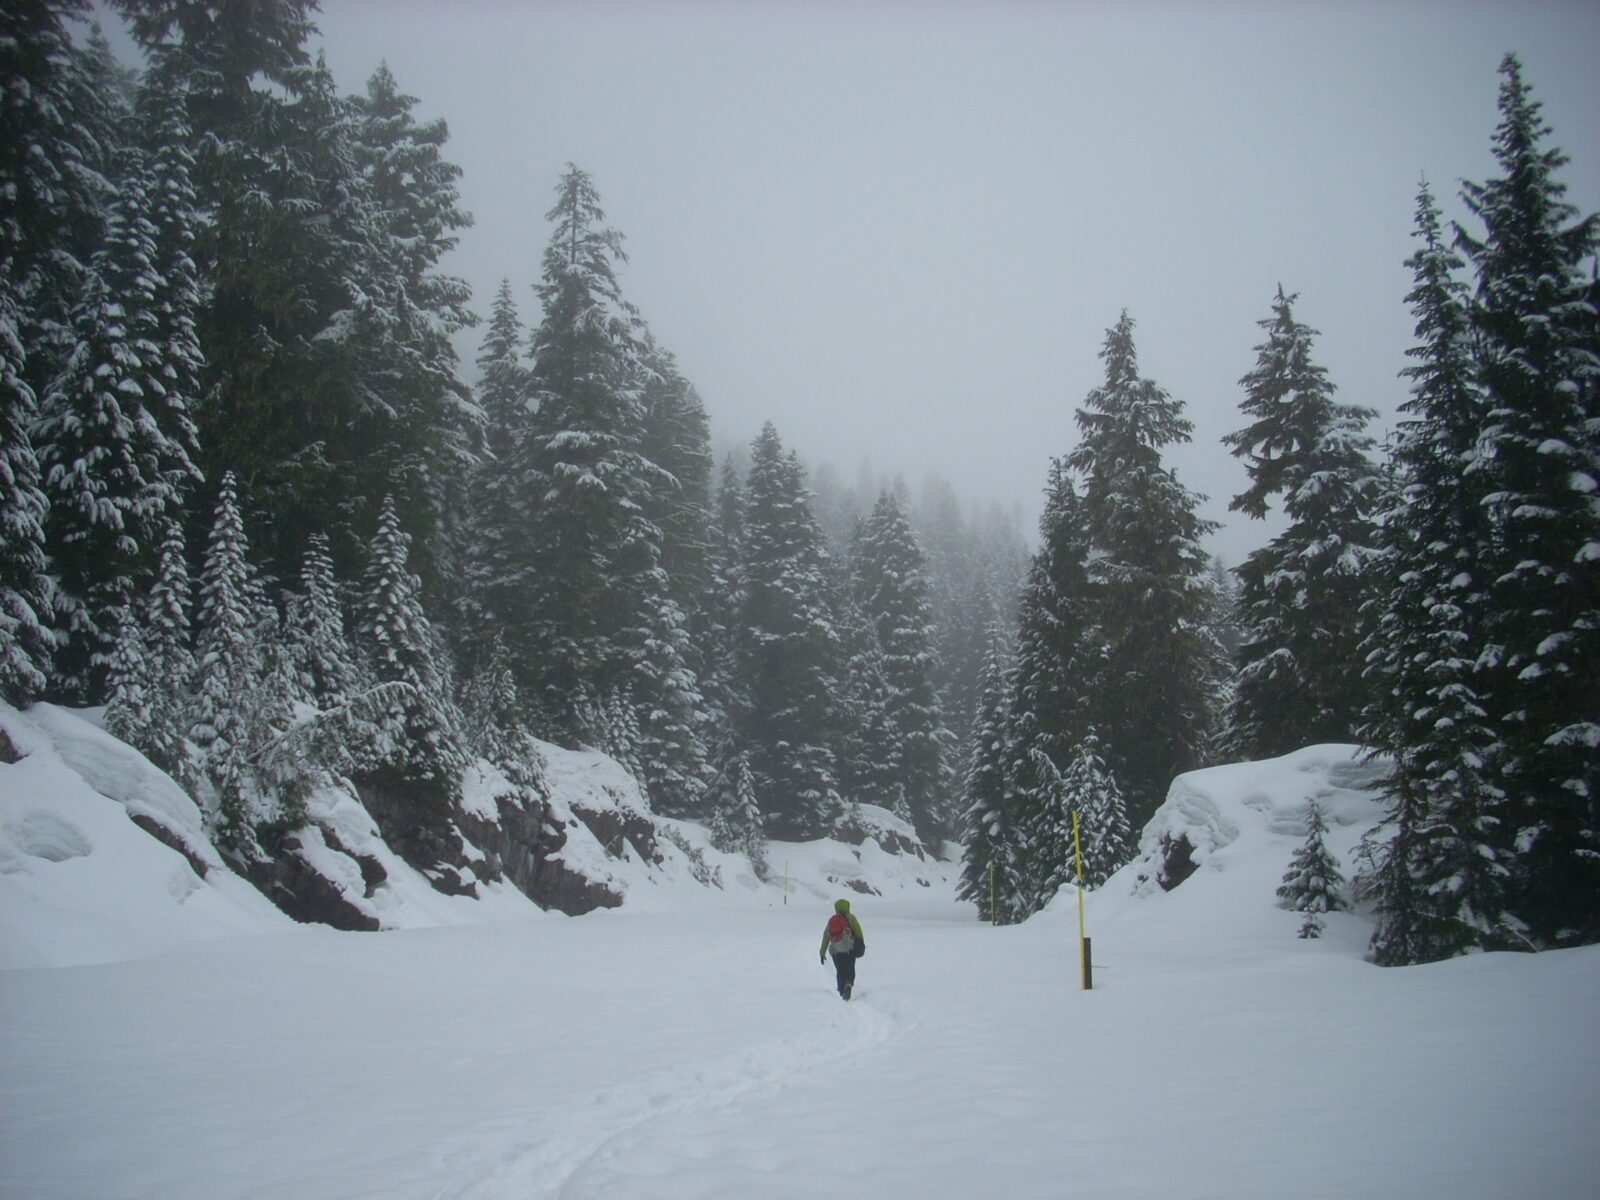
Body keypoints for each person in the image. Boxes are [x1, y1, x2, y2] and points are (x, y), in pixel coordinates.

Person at [819, 898, 865, 1000]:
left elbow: (826, 937)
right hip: (849, 949)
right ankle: (848, 984)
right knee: (849, 968)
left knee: (840, 970)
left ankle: (841, 990)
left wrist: (822, 952)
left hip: (836, 951)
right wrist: (861, 944)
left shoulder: (832, 920)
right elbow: (859, 932)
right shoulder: (851, 918)